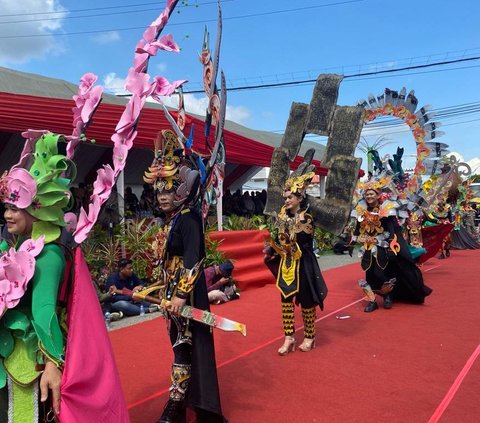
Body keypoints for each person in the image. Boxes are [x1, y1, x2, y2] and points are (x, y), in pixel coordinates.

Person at [0, 133, 128, 422]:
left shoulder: (47, 254)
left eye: (15, 208)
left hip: (31, 362)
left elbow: (43, 310)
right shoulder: (18, 246)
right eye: (6, 208)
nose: (8, 215)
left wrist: (53, 364)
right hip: (12, 355)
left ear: (37, 208)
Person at [144, 129, 227, 423]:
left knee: (182, 346)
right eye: (160, 190)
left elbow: (194, 261)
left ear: (184, 189)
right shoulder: (174, 219)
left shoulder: (190, 219)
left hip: (185, 295)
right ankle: (181, 400)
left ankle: (176, 404)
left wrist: (180, 294)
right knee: (180, 345)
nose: (162, 196)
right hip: (171, 292)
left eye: (169, 190)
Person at [263, 171, 328, 355]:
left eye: (290, 196)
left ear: (300, 197)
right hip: (287, 263)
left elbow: (304, 242)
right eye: (285, 197)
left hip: (303, 263)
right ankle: (289, 337)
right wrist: (270, 248)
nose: (286, 200)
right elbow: (279, 238)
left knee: (306, 300)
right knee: (285, 300)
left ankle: (310, 336)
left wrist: (290, 238)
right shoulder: (283, 217)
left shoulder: (306, 218)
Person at [351, 177, 432, 312]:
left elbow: (391, 230)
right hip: (366, 247)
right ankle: (372, 301)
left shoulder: (386, 210)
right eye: (367, 194)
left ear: (378, 195)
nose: (369, 196)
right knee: (369, 274)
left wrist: (391, 246)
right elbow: (358, 228)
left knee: (381, 273)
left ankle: (388, 295)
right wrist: (352, 242)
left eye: (372, 194)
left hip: (382, 247)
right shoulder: (361, 210)